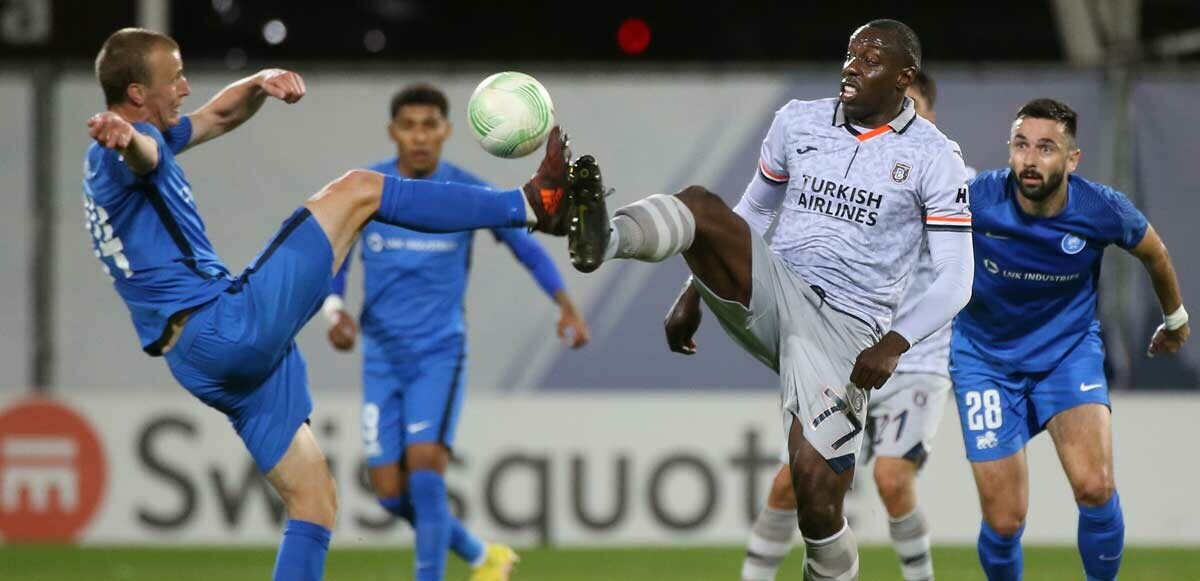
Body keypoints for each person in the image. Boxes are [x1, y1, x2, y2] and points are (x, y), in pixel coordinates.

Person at [82, 28, 572, 581]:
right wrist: (125, 139)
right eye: (175, 79)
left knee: (314, 504)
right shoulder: (118, 153)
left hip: (200, 360)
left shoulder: (154, 132)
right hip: (223, 325)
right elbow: (141, 157)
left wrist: (259, 83)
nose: (188, 87)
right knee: (360, 189)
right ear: (136, 95)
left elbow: (218, 116)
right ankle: (531, 203)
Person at [533, 19, 975, 580]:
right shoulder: (798, 120)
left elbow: (956, 279)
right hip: (775, 285)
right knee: (699, 204)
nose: (851, 66)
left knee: (816, 500)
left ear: (903, 77)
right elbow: (753, 213)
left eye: (869, 60)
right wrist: (694, 289)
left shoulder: (937, 157)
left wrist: (893, 343)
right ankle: (602, 239)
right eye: (849, 54)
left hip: (847, 330)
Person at [322, 84, 589, 581]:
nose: (420, 136)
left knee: (425, 466)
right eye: (409, 126)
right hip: (381, 354)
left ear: (447, 131)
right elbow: (337, 251)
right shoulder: (369, 188)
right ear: (393, 131)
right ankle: (482, 555)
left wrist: (565, 304)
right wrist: (333, 309)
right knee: (388, 492)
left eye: (430, 125)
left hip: (438, 353)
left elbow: (525, 247)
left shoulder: (465, 193)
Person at [734, 69, 963, 581]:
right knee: (789, 485)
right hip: (845, 349)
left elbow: (962, 273)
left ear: (929, 111)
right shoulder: (850, 161)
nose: (904, 110)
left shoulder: (947, 175)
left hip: (913, 359)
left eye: (914, 103)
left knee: (891, 478)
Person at [952, 98, 1188, 581]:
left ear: (1071, 159)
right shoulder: (977, 199)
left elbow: (1155, 254)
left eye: (1045, 148)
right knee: (1004, 520)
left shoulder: (1099, 208)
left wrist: (1176, 316)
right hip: (984, 361)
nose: (1030, 160)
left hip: (1068, 355)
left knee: (1096, 487)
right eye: (1021, 146)